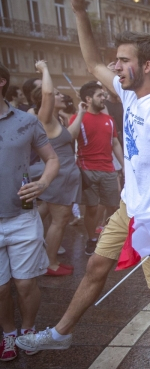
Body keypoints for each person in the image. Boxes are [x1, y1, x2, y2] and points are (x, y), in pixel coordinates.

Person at [16, 0, 150, 369]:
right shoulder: (130, 94)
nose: (115, 66)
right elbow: (91, 64)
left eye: (123, 60)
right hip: (127, 209)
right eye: (116, 61)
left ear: (146, 65)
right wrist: (80, 14)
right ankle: (61, 334)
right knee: (96, 268)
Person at [0, 62, 59, 361]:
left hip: (22, 215)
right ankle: (8, 334)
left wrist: (43, 183)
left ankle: (28, 329)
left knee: (25, 283)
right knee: (0, 288)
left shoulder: (26, 121)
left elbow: (51, 159)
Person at [29, 60, 83, 276]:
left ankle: (46, 259)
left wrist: (80, 111)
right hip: (59, 176)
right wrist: (45, 69)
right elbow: (49, 95)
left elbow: (71, 136)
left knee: (56, 218)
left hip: (65, 176)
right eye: (58, 93)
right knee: (59, 221)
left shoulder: (56, 121)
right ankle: (50, 263)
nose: (61, 96)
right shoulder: (45, 118)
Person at [70, 81, 124, 256]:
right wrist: (80, 113)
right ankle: (92, 239)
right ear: (88, 98)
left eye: (104, 95)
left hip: (108, 169)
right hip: (87, 170)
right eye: (100, 95)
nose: (104, 98)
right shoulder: (78, 118)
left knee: (113, 206)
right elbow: (70, 136)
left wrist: (124, 167)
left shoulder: (108, 120)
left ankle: (111, 239)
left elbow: (115, 143)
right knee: (92, 208)